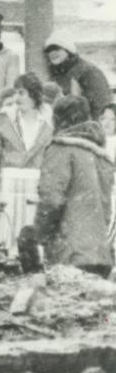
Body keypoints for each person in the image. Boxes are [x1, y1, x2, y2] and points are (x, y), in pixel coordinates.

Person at [30, 95, 114, 275]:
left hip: (69, 255)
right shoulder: (101, 156)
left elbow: (51, 201)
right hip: (100, 255)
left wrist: (38, 237)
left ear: (59, 120)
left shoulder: (60, 149)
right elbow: (106, 212)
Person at [0, 73, 51, 257]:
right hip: (8, 194)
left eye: (22, 93)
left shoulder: (50, 123)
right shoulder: (3, 121)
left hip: (37, 193)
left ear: (35, 95)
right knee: (5, 248)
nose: (17, 98)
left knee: (35, 251)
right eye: (16, 92)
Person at [43, 37, 112, 117]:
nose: (52, 53)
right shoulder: (56, 74)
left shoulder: (89, 71)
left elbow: (102, 104)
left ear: (68, 50)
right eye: (49, 51)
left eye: (56, 49)